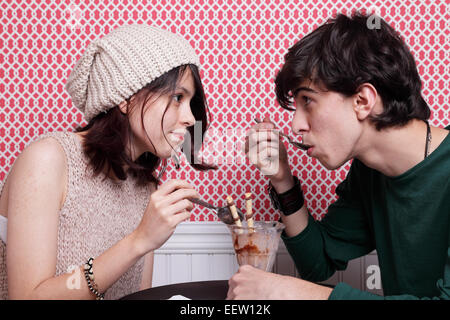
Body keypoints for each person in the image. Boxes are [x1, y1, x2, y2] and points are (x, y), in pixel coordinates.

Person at [231, 12, 450, 300]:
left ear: (362, 100)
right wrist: (282, 179)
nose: (296, 124)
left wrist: (287, 290)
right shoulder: (369, 172)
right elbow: (317, 262)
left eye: (307, 100)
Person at [0, 24, 214, 299]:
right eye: (176, 97)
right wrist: (138, 241)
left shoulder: (145, 189)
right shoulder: (48, 160)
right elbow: (28, 297)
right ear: (125, 98)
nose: (188, 118)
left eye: (190, 102)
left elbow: (138, 297)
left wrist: (145, 237)